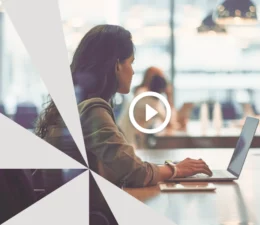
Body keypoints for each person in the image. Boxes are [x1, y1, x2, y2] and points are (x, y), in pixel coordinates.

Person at [35, 25, 212, 189]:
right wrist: (177, 169)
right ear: (117, 65)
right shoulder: (92, 110)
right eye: (131, 62)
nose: (133, 71)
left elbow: (123, 168)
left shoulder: (78, 105)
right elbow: (135, 172)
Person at [118, 74, 169, 147]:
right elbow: (168, 121)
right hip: (131, 136)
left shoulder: (142, 92)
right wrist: (169, 96)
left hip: (125, 129)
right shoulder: (154, 103)